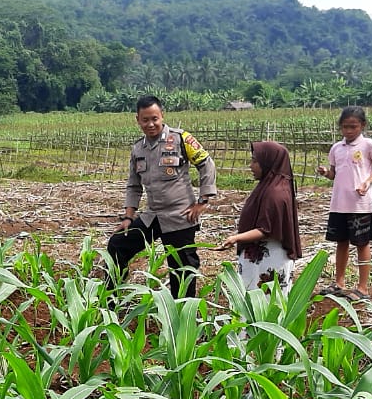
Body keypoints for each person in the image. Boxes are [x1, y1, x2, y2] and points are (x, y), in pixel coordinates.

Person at [107, 95, 218, 298]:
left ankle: (183, 317)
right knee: (117, 244)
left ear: (162, 116)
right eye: (145, 120)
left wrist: (203, 201)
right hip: (153, 216)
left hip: (180, 217)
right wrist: (128, 217)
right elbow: (133, 185)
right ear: (137, 120)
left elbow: (206, 163)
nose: (151, 124)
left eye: (155, 119)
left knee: (181, 269)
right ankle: (112, 300)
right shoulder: (138, 149)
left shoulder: (180, 138)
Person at [317, 105, 372, 300]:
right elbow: (334, 174)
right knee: (341, 242)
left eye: (353, 127)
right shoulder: (336, 149)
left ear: (362, 125)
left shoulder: (368, 146)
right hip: (339, 203)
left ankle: (362, 287)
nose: (349, 131)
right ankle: (339, 282)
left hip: (360, 204)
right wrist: (325, 173)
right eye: (345, 127)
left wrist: (367, 182)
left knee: (362, 243)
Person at [219, 141, 302, 291]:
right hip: (261, 259)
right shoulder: (270, 186)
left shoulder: (275, 194)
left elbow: (265, 230)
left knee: (265, 305)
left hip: (269, 261)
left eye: (255, 161)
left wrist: (235, 238)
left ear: (268, 162)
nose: (251, 165)